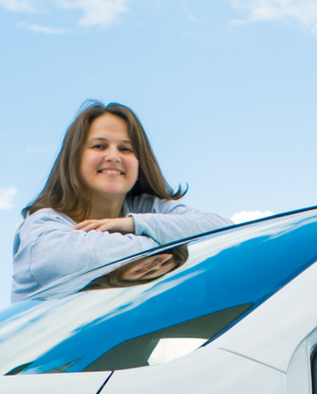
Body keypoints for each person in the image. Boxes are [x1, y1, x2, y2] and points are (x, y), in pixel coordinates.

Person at [12, 101, 226, 300]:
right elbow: (78, 258)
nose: (113, 156)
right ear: (74, 159)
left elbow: (222, 229)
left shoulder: (145, 208)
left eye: (125, 149)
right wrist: (170, 243)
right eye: (99, 146)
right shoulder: (40, 229)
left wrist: (134, 224)